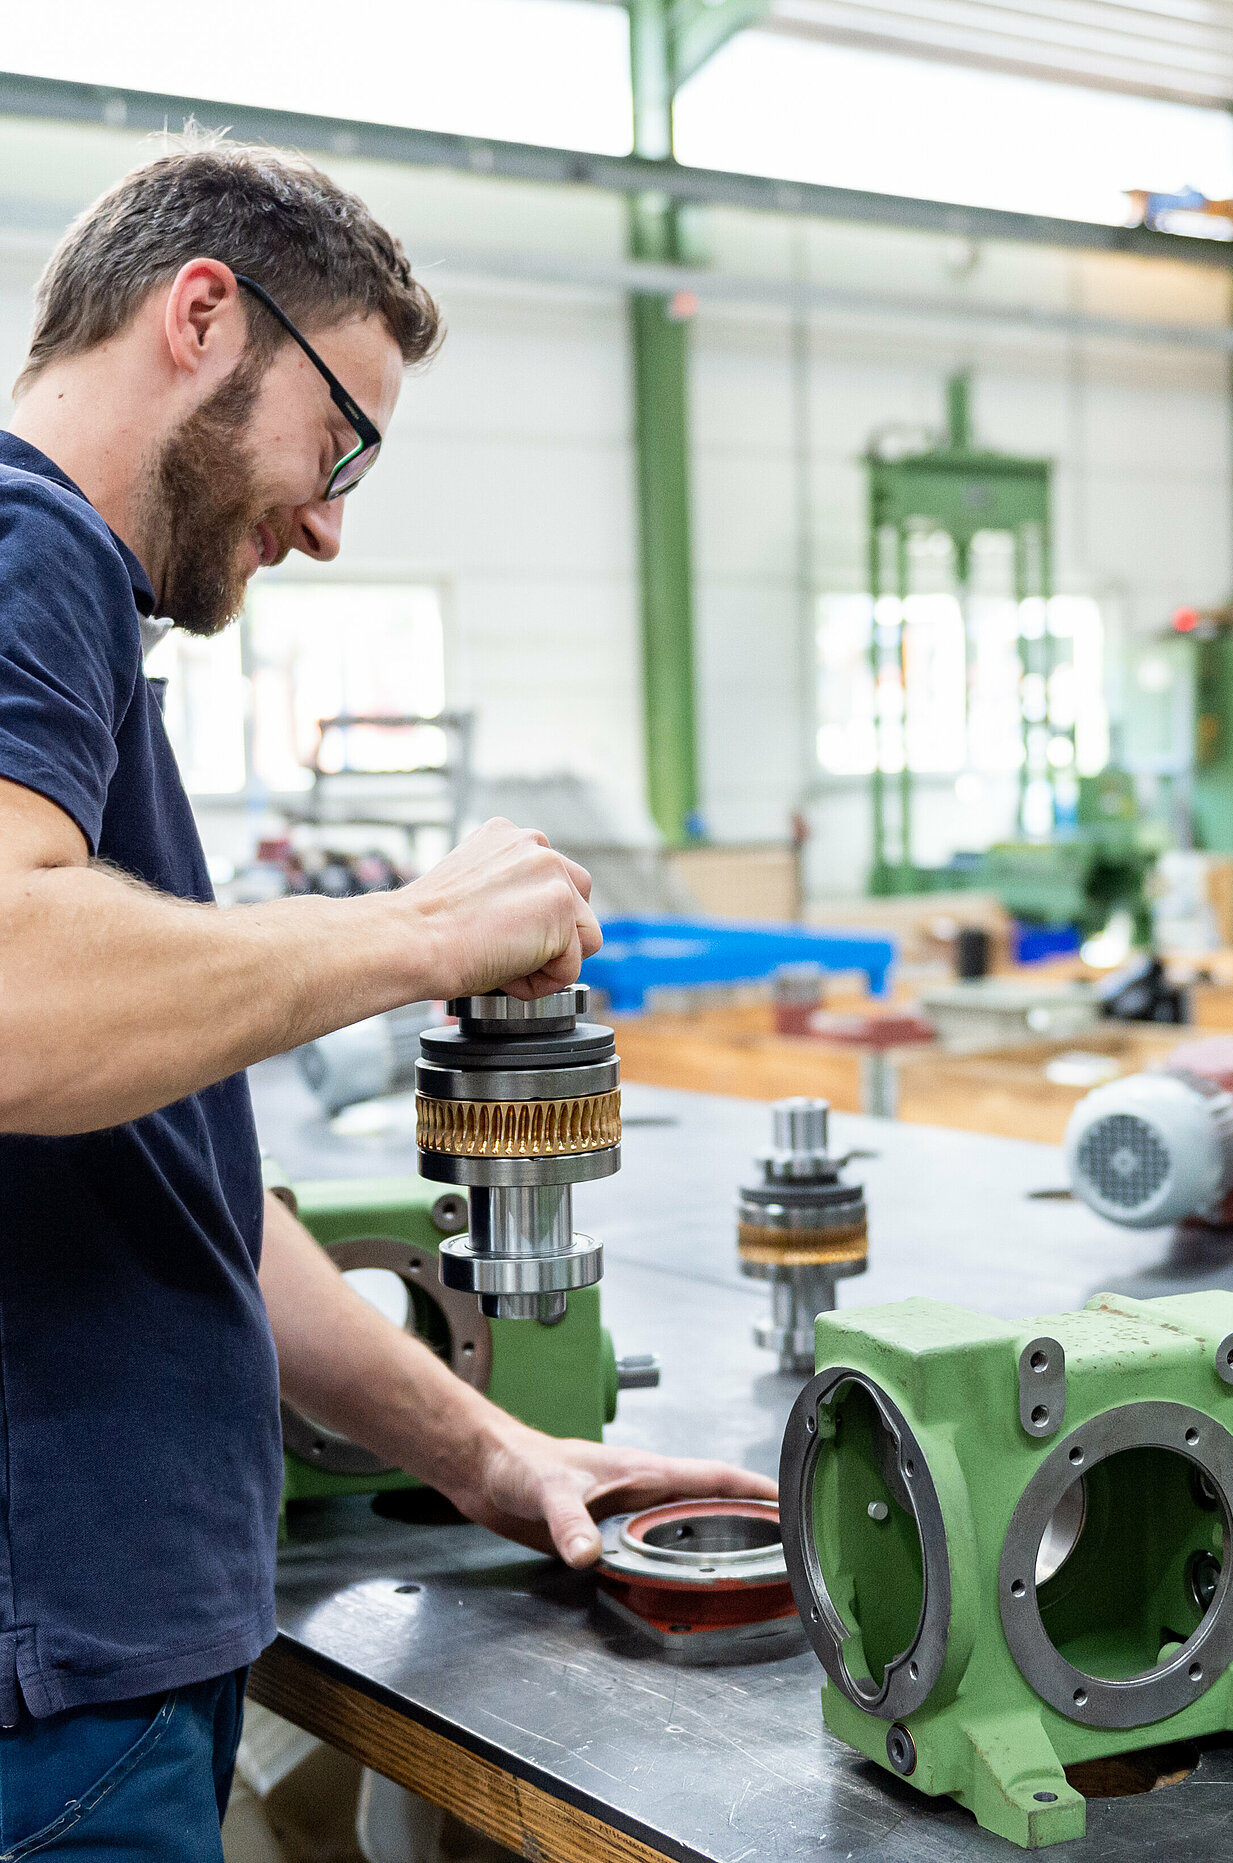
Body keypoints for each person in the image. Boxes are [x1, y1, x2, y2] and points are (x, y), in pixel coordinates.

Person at [0, 136, 773, 1858]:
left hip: (106, 1662)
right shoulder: (23, 546)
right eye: (338, 437)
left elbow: (177, 1192)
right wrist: (419, 931)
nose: (332, 520)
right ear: (203, 315)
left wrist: (497, 1459)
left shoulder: (83, 637)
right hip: (50, 1696)